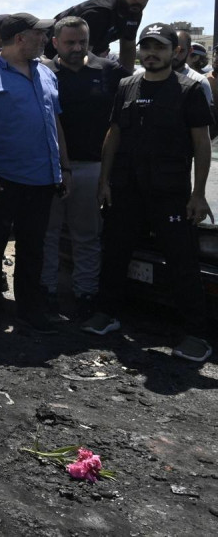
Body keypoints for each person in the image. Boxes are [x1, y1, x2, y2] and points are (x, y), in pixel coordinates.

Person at [82, 23, 214, 363]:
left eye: (159, 47)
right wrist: (104, 180)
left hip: (170, 192)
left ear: (175, 52)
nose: (151, 53)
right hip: (126, 189)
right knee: (115, 252)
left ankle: (196, 334)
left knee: (182, 261)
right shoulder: (127, 85)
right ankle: (107, 313)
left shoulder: (189, 90)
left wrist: (198, 194)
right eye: (146, 47)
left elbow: (201, 145)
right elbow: (113, 135)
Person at [0, 13, 70, 333]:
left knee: (32, 246)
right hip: (2, 178)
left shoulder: (47, 74)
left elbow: (56, 124)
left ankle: (29, 308)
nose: (45, 39)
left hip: (42, 178)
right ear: (21, 37)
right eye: (39, 34)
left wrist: (63, 165)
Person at [42, 16, 128, 320]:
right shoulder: (42, 73)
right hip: (50, 169)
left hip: (93, 167)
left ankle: (85, 295)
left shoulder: (109, 71)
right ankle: (47, 294)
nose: (77, 48)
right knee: (47, 235)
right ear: (55, 43)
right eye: (70, 43)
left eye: (82, 42)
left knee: (87, 236)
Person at [48, 0, 154, 64]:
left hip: (88, 57)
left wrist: (126, 79)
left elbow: (128, 47)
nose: (139, 0)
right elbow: (81, 53)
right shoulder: (99, 12)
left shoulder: (134, 10)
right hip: (52, 56)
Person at [172, 29, 214, 106]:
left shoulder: (200, 81)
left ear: (189, 51)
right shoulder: (151, 75)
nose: (175, 54)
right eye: (172, 49)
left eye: (180, 51)